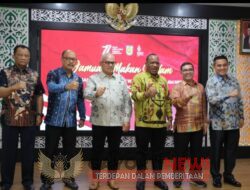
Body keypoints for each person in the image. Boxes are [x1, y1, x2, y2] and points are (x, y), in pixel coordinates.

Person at [84, 53, 132, 190]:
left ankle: (112, 179)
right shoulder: (94, 78)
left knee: (114, 152)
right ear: (101, 63)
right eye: (107, 62)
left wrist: (127, 119)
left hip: (117, 123)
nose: (110, 65)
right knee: (97, 152)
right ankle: (95, 179)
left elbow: (127, 102)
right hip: (99, 122)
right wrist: (96, 94)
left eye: (112, 62)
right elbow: (85, 94)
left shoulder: (121, 80)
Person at [0, 45, 45, 190]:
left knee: (28, 153)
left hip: (29, 120)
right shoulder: (5, 72)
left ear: (29, 57)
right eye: (20, 55)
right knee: (8, 153)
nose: (23, 58)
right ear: (14, 56)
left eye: (26, 55)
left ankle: (28, 182)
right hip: (9, 118)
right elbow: (0, 92)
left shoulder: (35, 74)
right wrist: (14, 87)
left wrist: (39, 114)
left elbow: (39, 95)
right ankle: (6, 182)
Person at [40, 50, 86, 190]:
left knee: (70, 152)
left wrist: (82, 116)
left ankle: (68, 178)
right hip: (54, 120)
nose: (71, 61)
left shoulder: (78, 79)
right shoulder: (53, 73)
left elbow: (80, 99)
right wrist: (66, 86)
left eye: (73, 59)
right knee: (50, 151)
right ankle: (47, 180)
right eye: (68, 58)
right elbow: (51, 88)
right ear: (62, 59)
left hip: (70, 122)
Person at [131, 53, 172, 190]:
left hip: (160, 125)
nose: (155, 65)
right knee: (141, 152)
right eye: (152, 62)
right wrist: (146, 94)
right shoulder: (139, 78)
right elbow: (134, 96)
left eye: (157, 63)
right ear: (146, 64)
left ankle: (158, 179)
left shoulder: (164, 81)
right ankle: (141, 179)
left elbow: (167, 101)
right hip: (143, 124)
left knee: (159, 153)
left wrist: (170, 118)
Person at [206, 55, 244, 188]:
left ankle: (228, 175)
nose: (222, 67)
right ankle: (216, 177)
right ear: (214, 67)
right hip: (218, 124)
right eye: (219, 65)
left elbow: (239, 99)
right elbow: (212, 100)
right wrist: (228, 94)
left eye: (224, 65)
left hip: (233, 123)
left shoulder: (234, 80)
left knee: (231, 151)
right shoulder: (211, 82)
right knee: (216, 152)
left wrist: (241, 117)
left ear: (228, 65)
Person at [170, 62, 208, 188]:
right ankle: (178, 178)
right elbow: (176, 104)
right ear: (181, 72)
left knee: (196, 154)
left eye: (190, 69)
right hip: (182, 127)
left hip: (198, 126)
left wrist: (205, 123)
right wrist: (185, 98)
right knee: (180, 154)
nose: (188, 72)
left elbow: (203, 106)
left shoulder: (200, 87)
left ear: (193, 71)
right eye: (185, 70)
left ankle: (195, 177)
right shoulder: (177, 87)